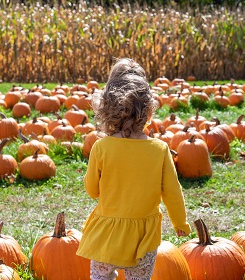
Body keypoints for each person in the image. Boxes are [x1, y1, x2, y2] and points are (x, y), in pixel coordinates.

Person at [76, 58, 191, 280]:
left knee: (101, 276)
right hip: (143, 238)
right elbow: (172, 192)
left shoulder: (101, 147)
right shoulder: (159, 149)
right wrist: (180, 223)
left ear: (106, 111)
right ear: (148, 112)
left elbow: (92, 190)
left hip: (106, 234)